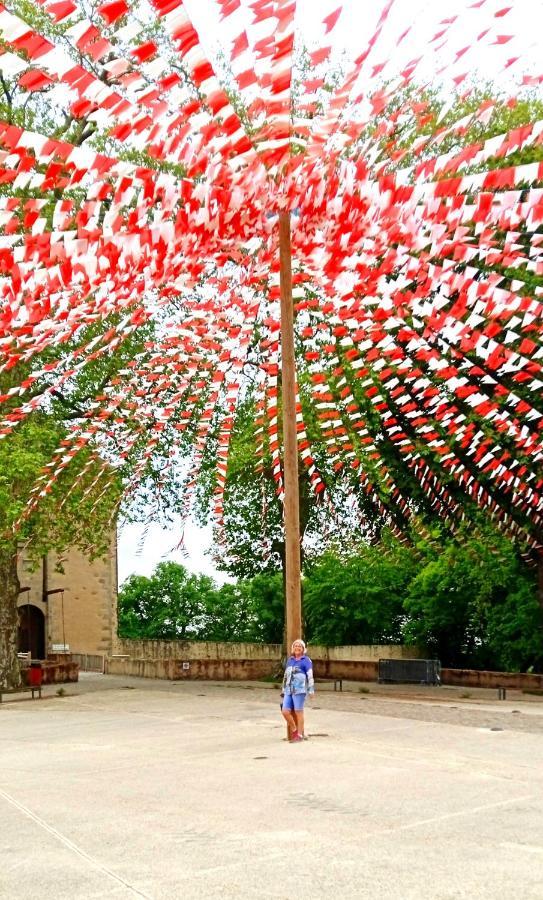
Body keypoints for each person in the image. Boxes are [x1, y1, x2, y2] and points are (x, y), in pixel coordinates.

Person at [281, 639, 315, 742]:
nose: (297, 648)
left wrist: (311, 690)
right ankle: (295, 730)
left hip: (299, 690)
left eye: (299, 646)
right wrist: (283, 689)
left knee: (298, 712)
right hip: (288, 690)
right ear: (293, 648)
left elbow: (310, 675)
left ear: (303, 649)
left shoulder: (306, 660)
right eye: (295, 646)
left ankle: (299, 736)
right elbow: (286, 675)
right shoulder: (290, 660)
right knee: (285, 711)